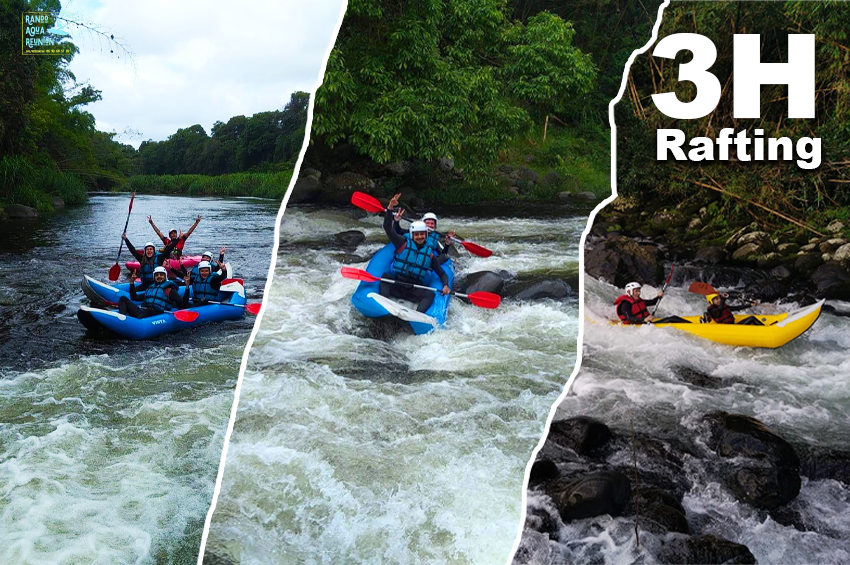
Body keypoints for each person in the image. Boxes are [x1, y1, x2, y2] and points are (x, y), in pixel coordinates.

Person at [382, 206, 450, 313]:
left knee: (430, 294)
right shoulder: (402, 243)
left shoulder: (429, 254)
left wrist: (446, 285)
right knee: (385, 277)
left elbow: (442, 273)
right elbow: (388, 228)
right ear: (412, 235)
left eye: (422, 234)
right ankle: (384, 305)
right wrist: (390, 208)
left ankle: (417, 315)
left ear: (426, 235)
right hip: (397, 284)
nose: (419, 237)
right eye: (416, 234)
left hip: (413, 289)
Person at [386, 194, 454, 264]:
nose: (430, 225)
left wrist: (447, 244)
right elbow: (396, 232)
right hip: (410, 256)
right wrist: (396, 221)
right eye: (428, 223)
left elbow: (443, 254)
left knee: (444, 257)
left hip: (424, 261)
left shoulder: (434, 239)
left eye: (432, 223)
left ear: (435, 225)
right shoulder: (414, 232)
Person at [118, 266, 183, 318]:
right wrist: (132, 282)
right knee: (123, 298)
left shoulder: (169, 290)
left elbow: (181, 302)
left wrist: (187, 288)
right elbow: (134, 297)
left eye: (161, 275)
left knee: (149, 311)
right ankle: (122, 319)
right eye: (157, 275)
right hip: (144, 312)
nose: (159, 276)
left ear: (165, 276)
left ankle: (135, 323)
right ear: (154, 277)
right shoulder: (151, 288)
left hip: (157, 314)